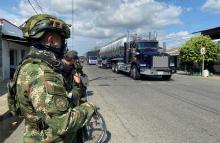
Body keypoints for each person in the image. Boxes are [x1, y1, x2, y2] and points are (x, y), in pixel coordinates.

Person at [16, 14, 95, 143]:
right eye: (62, 40)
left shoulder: (30, 64)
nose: (63, 45)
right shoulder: (41, 72)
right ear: (51, 40)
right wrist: (90, 107)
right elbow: (64, 123)